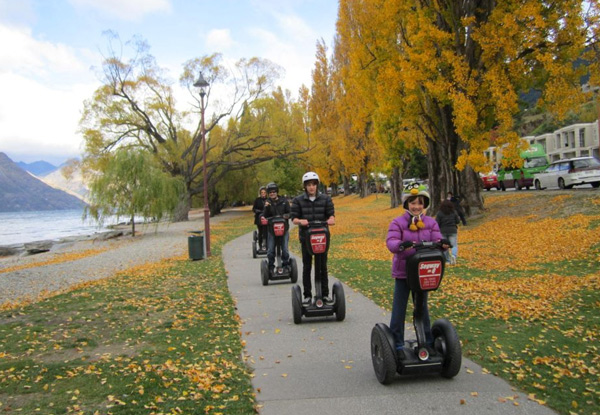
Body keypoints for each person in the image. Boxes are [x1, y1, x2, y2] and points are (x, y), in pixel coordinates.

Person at [386, 183, 449, 358]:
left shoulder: (430, 222)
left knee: (422, 308)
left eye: (420, 203)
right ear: (406, 204)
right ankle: (397, 345)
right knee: (399, 309)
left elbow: (437, 239)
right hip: (404, 272)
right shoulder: (398, 222)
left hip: (422, 273)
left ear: (424, 204)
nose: (416, 206)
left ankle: (427, 343)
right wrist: (400, 245)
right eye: (412, 203)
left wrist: (443, 244)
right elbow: (391, 241)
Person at [291, 172, 335, 304]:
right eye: (309, 185)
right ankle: (307, 295)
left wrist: (331, 219)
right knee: (307, 267)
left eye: (313, 185)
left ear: (317, 185)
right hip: (306, 238)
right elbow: (294, 218)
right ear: (305, 186)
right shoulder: (298, 200)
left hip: (322, 238)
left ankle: (325, 295)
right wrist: (300, 221)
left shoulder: (326, 199)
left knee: (322, 267)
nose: (311, 187)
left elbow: (331, 215)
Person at [263, 182, 291, 273]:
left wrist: (286, 216)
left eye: (274, 192)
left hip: (284, 229)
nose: (272, 193)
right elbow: (264, 215)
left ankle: (286, 265)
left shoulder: (284, 201)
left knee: (285, 249)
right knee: (270, 250)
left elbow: (290, 213)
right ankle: (271, 266)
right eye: (270, 192)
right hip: (271, 230)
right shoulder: (267, 203)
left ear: (277, 192)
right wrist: (266, 208)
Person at [435, 199, 460, 264]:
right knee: (454, 245)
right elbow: (457, 221)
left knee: (445, 246)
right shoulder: (454, 212)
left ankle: (447, 260)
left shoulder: (439, 213)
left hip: (443, 230)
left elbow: (437, 223)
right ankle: (454, 255)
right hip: (452, 230)